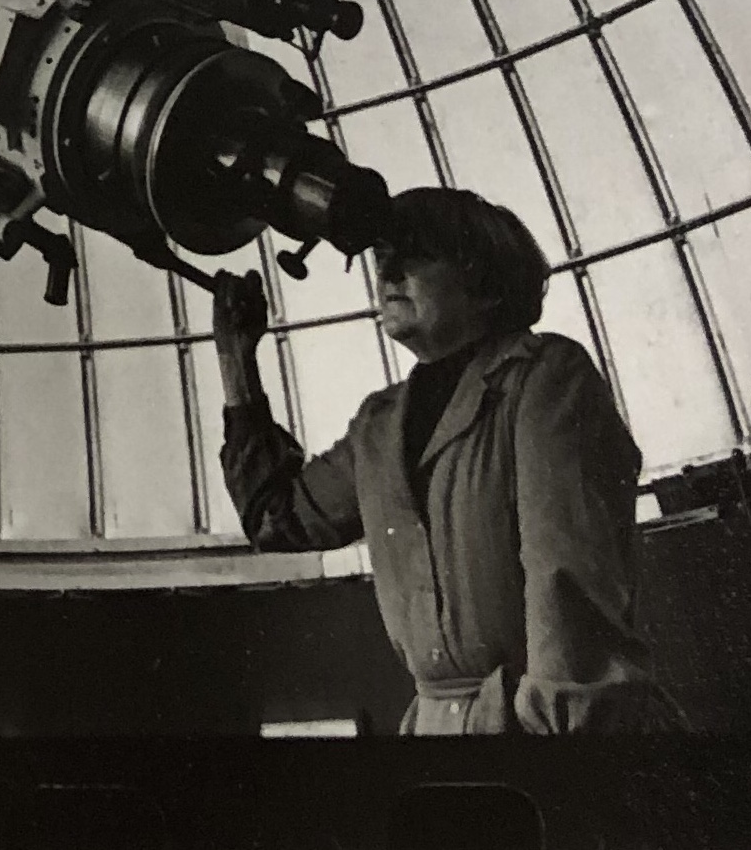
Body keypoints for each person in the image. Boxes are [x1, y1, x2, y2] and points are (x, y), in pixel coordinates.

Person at [212, 187, 680, 734]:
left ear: (483, 284)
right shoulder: (378, 424)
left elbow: (566, 583)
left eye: (415, 257)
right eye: (383, 259)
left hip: (553, 725)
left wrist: (557, 738)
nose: (387, 276)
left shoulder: (545, 377)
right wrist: (236, 359)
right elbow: (277, 518)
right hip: (440, 724)